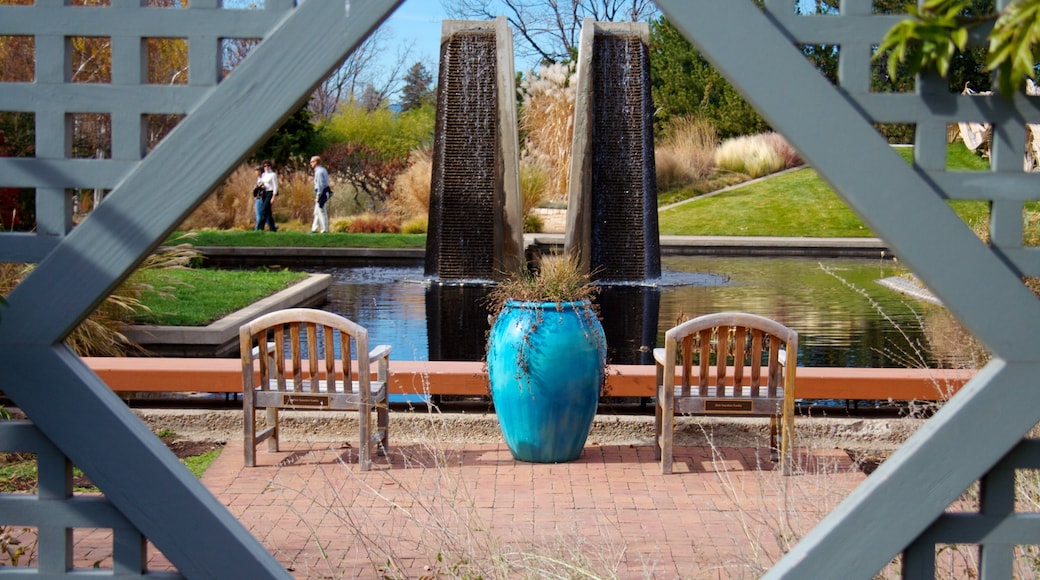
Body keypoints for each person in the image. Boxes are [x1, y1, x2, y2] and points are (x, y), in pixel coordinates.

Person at [255, 160, 278, 232]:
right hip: (264, 193)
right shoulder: (264, 175)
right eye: (265, 166)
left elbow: (275, 186)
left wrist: (273, 197)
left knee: (263, 210)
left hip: (270, 193)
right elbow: (261, 183)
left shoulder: (273, 175)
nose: (266, 167)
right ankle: (273, 229)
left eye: (268, 165)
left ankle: (260, 228)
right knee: (268, 213)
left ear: (270, 166)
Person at [310, 155, 331, 233]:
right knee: (316, 212)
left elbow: (320, 185)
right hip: (324, 191)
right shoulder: (323, 169)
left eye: (312, 162)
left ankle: (324, 229)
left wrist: (318, 196)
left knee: (321, 211)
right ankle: (314, 229)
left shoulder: (319, 172)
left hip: (322, 192)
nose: (311, 163)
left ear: (316, 162)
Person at [251, 165, 265, 229]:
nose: (255, 172)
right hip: (258, 198)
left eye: (257, 171)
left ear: (260, 171)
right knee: (259, 216)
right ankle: (260, 230)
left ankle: (257, 230)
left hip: (261, 199)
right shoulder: (259, 178)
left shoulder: (263, 178)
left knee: (259, 216)